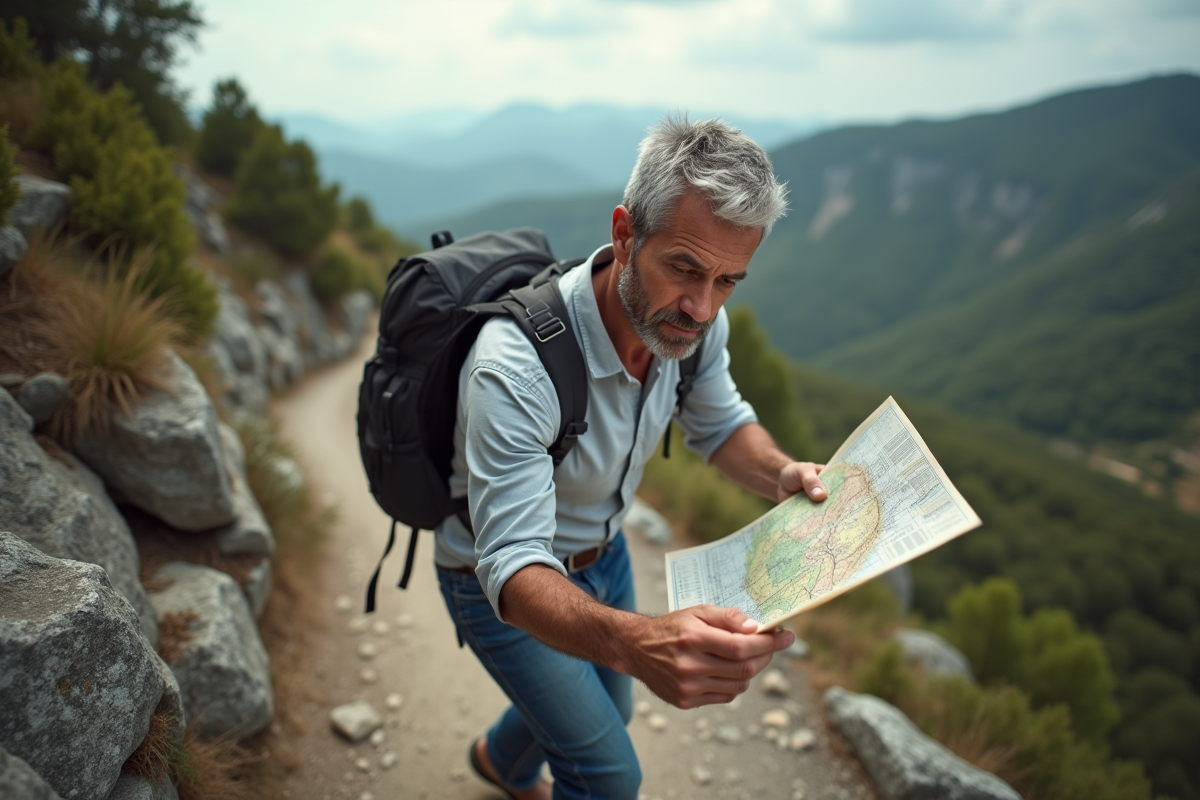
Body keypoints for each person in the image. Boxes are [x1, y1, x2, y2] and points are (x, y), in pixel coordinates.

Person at [434, 116, 828, 800]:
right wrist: (637, 642)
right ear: (625, 234)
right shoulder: (514, 368)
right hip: (499, 577)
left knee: (608, 712)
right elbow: (513, 567)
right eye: (684, 268)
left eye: (728, 280)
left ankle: (500, 762)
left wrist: (781, 473)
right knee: (608, 775)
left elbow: (720, 424)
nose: (701, 307)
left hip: (605, 554)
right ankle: (523, 757)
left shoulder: (692, 326)